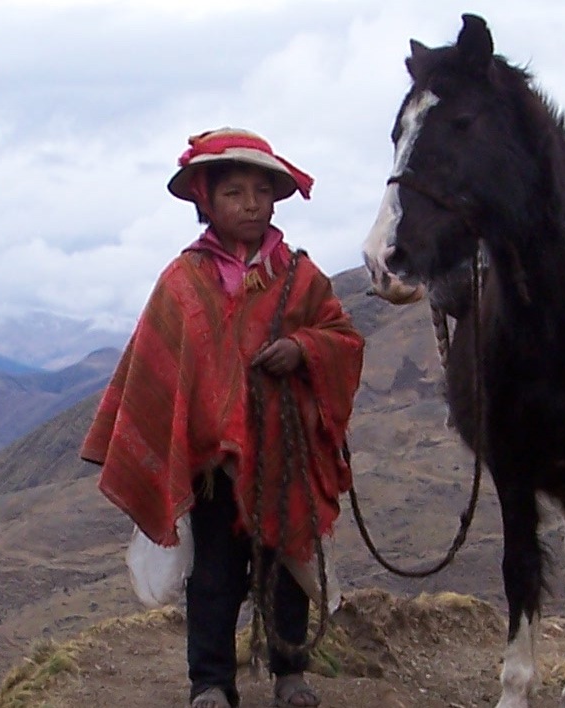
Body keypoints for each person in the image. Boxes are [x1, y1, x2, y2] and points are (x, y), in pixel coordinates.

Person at [82, 128, 365, 708]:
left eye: (261, 191)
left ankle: (290, 672)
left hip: (284, 456)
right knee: (212, 577)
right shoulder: (182, 282)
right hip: (214, 468)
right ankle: (210, 682)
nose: (251, 203)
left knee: (288, 566)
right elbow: (154, 364)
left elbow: (343, 339)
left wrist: (304, 349)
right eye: (234, 192)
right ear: (206, 200)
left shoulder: (300, 277)